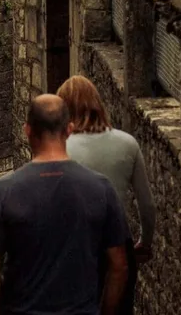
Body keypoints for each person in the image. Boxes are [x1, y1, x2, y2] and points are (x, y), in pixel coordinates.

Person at [0, 95, 129, 315]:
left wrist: (7, 309)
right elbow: (119, 265)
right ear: (69, 129)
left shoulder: (4, 191)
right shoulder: (101, 188)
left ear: (27, 130)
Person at [58, 76, 156, 315]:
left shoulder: (60, 149)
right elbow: (147, 204)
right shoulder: (127, 144)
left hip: (75, 249)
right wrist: (145, 241)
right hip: (118, 246)